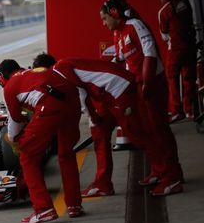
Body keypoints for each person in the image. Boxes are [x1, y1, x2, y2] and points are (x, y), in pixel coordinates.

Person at [100, 0, 183, 196]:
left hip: (152, 85)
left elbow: (150, 53)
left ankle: (172, 178)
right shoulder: (118, 34)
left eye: (104, 18)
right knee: (145, 132)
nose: (104, 23)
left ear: (114, 13)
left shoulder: (135, 25)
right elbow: (120, 61)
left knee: (159, 131)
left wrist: (147, 82)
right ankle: (159, 170)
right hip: (138, 88)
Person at [51, 55, 162, 198]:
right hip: (109, 92)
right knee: (99, 133)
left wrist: (92, 115)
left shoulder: (58, 70)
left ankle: (167, 173)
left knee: (136, 134)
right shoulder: (67, 63)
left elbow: (81, 94)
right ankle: (103, 184)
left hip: (118, 88)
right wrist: (95, 117)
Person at [0, 61, 83, 223]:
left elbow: (15, 120)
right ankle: (74, 205)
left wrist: (15, 139)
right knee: (66, 153)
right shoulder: (37, 71)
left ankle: (43, 208)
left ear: (2, 77)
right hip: (73, 101)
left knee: (28, 156)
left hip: (50, 105)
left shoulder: (10, 86)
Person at [157, 0, 197, 121]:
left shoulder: (163, 11)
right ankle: (190, 110)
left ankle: (177, 110)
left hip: (176, 49)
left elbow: (164, 34)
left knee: (172, 78)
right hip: (191, 46)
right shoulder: (185, 3)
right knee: (189, 77)